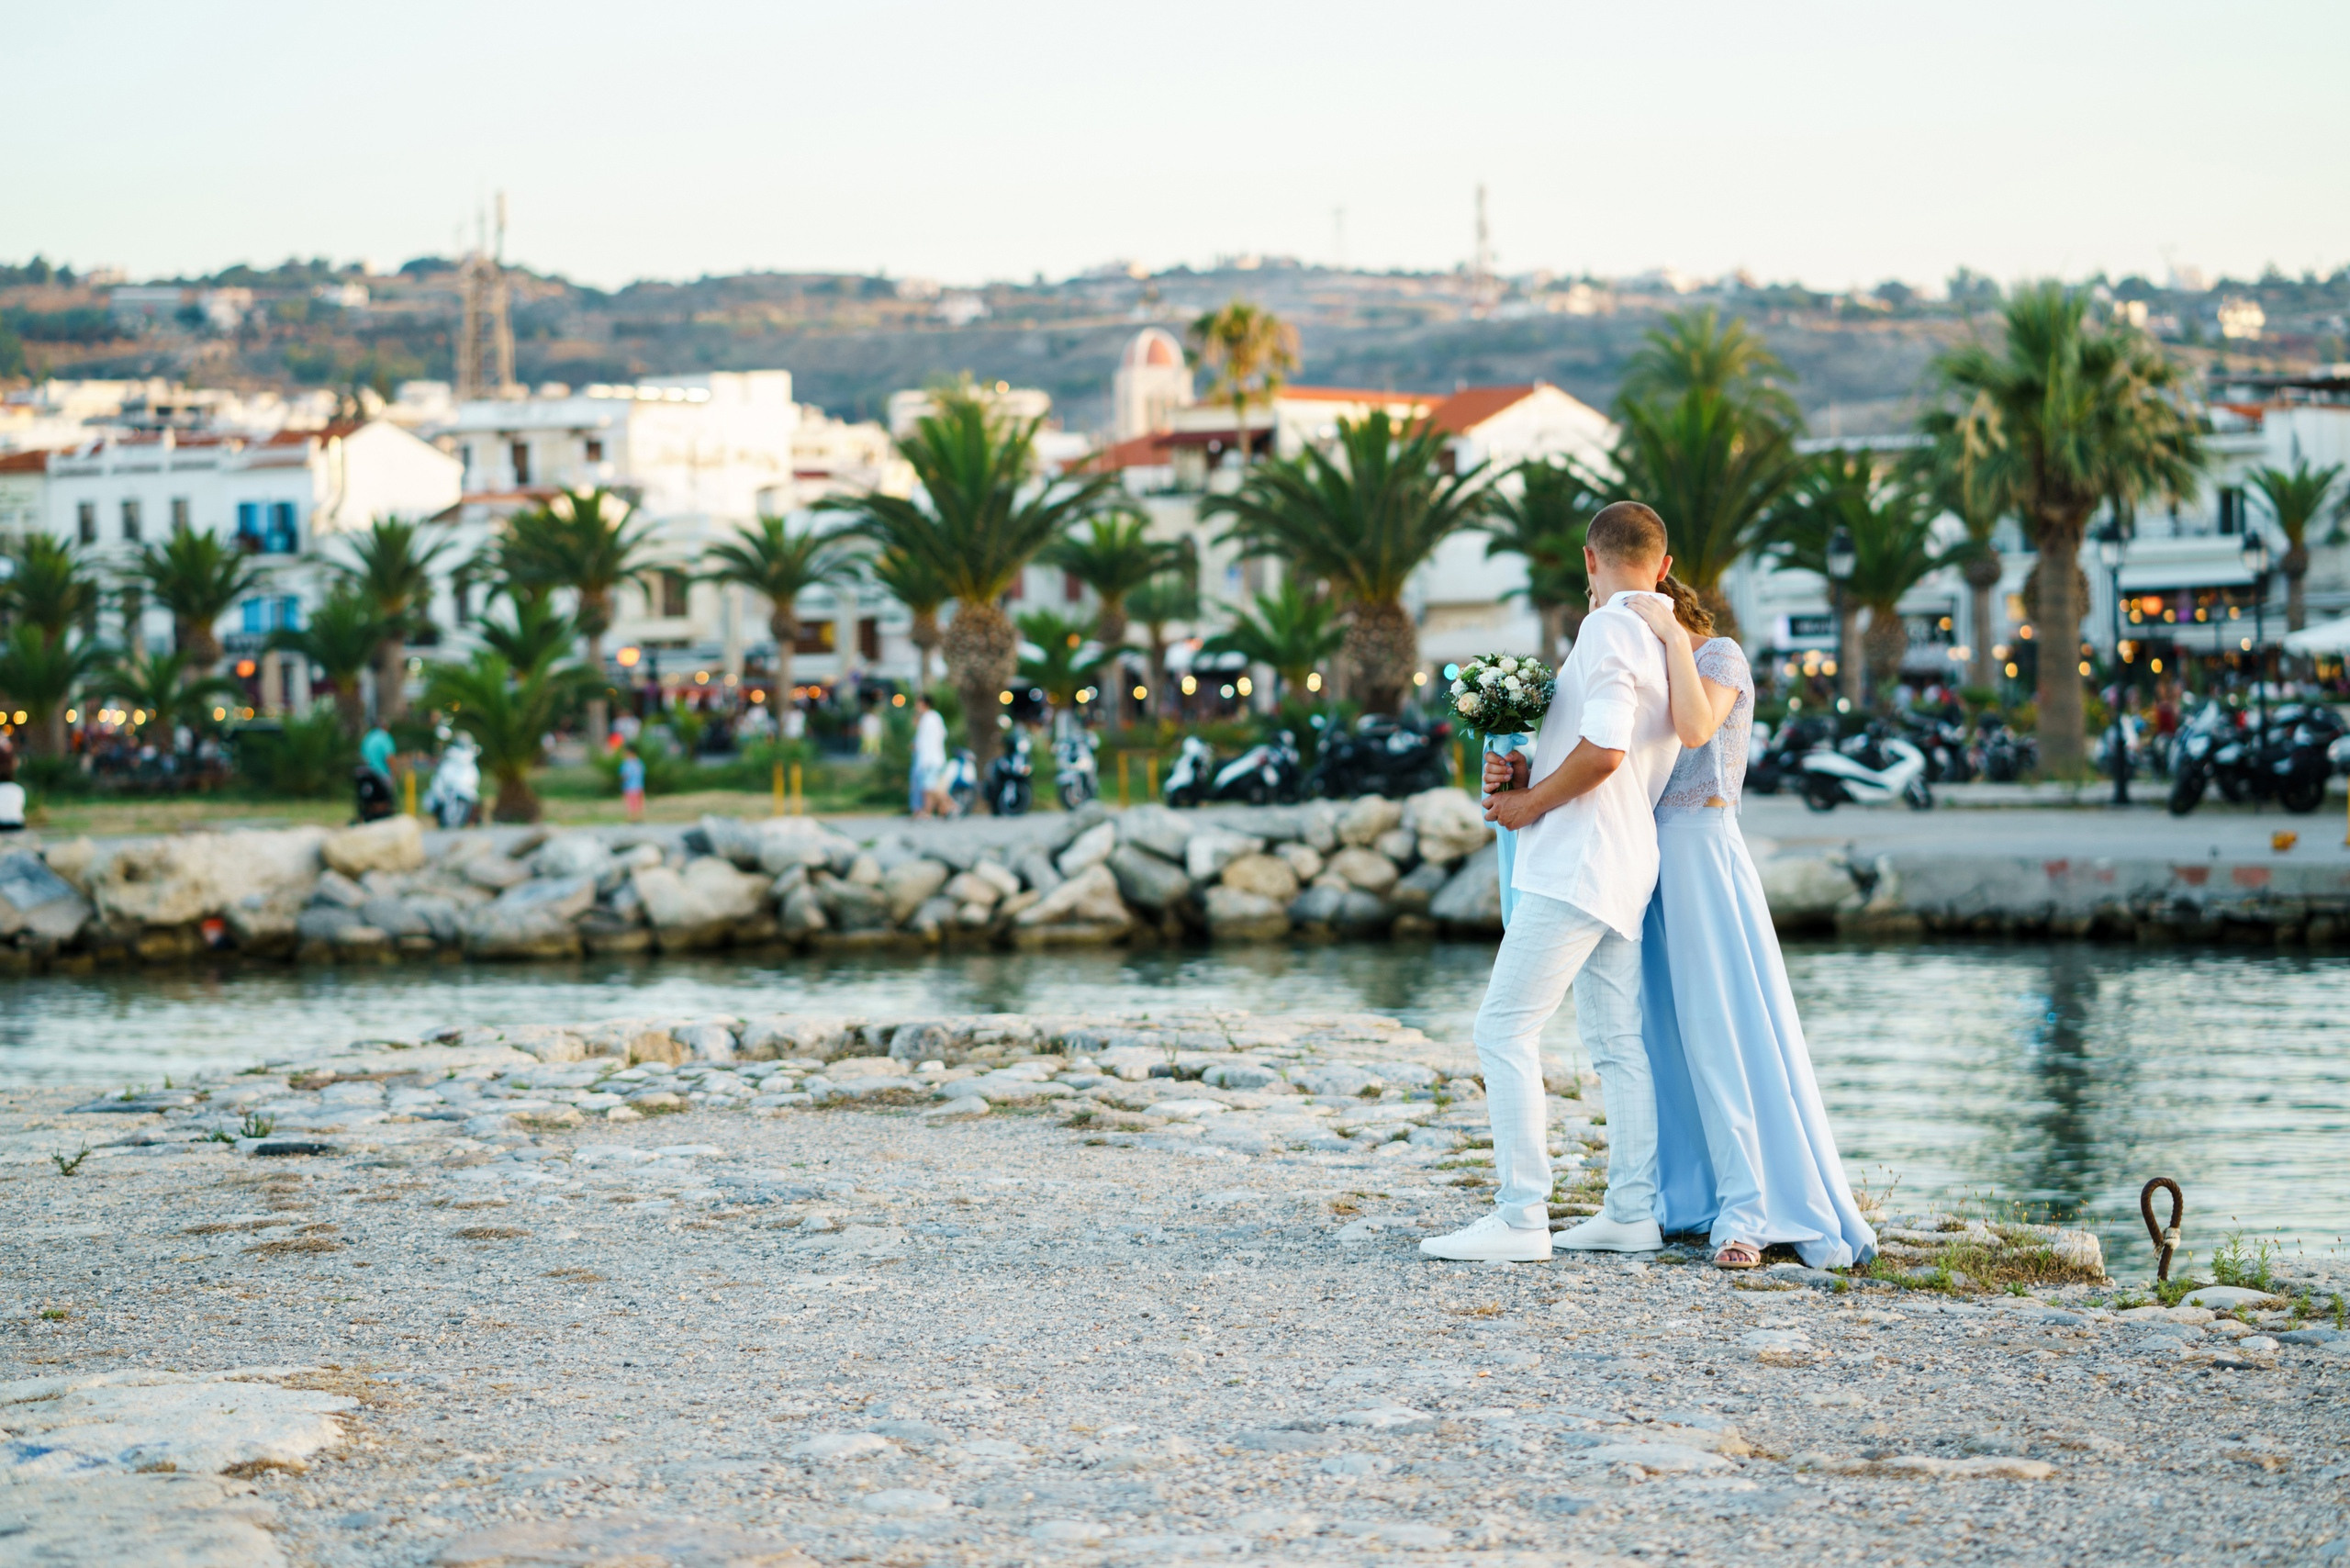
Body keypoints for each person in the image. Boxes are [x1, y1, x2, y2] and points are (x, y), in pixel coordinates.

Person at [1421, 501, 1682, 1264]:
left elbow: (1605, 750)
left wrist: (1529, 803)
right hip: (1625, 860)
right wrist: (1526, 768)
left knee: (1502, 1029)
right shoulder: (1665, 639)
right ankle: (1631, 1213)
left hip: (1578, 861)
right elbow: (1605, 749)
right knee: (1615, 1043)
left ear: (1589, 559)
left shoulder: (1606, 628)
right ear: (1664, 566)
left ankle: (1522, 1216)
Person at [1624, 584, 1879, 1271]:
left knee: (1722, 1029)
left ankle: (1752, 1208)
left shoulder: (1719, 656)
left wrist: (1670, 638)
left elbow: (1696, 729)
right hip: (1647, 860)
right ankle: (1688, 1196)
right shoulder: (1635, 670)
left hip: (1702, 856)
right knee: (1662, 1034)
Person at [910, 693, 949, 817]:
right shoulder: (927, 718)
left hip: (931, 759)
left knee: (930, 787)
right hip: (927, 759)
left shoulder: (931, 718)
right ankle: (928, 811)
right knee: (927, 787)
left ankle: (951, 805)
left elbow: (931, 739)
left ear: (924, 704)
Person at [618, 745, 646, 823]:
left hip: (629, 786)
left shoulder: (627, 764)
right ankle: (639, 817)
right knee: (638, 803)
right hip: (639, 786)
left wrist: (621, 780)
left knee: (630, 803)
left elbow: (625, 775)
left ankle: (632, 818)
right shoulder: (639, 762)